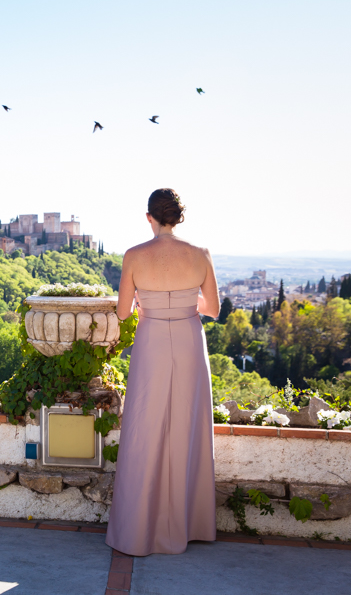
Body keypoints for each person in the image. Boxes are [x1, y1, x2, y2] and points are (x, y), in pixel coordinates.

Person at [105, 188, 220, 556]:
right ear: (179, 217)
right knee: (189, 425)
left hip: (152, 337)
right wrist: (185, 299)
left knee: (144, 427)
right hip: (188, 338)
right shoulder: (200, 254)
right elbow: (213, 308)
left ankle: (138, 530)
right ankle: (192, 526)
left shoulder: (135, 255)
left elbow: (123, 313)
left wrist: (145, 300)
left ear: (149, 217)